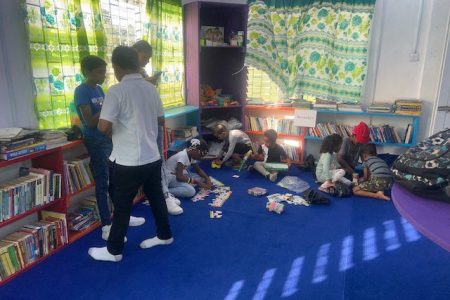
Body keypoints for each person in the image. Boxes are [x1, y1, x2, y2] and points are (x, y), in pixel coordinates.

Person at [88, 46, 173, 262]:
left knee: (122, 204)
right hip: (151, 157)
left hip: (126, 161)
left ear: (117, 67)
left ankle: (114, 250)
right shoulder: (150, 89)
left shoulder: (116, 91)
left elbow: (102, 127)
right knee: (156, 199)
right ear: (137, 64)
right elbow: (161, 120)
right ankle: (164, 235)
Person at [74, 55, 144, 242]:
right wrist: (107, 106)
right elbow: (89, 122)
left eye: (105, 72)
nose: (104, 76)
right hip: (95, 141)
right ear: (87, 72)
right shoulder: (82, 91)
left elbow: (109, 117)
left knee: (116, 181)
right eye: (99, 72)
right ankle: (106, 224)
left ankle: (121, 217)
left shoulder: (99, 89)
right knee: (103, 182)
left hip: (108, 139)